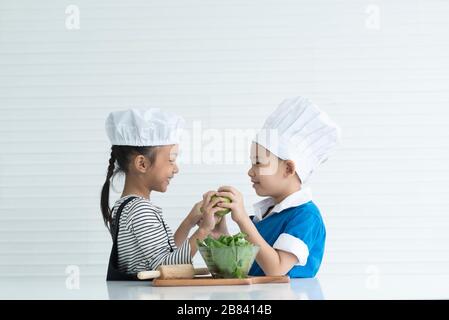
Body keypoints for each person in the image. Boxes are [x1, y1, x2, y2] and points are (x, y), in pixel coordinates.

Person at [203, 96, 341, 278]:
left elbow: (276, 269)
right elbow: (242, 267)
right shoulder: (265, 215)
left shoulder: (306, 217)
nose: (250, 172)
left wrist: (243, 220)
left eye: (258, 163)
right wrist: (219, 232)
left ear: (289, 168)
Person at [101, 108, 224, 278]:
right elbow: (165, 266)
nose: (176, 168)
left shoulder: (126, 206)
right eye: (171, 160)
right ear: (142, 164)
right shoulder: (140, 210)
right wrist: (203, 231)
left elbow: (166, 255)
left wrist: (189, 221)